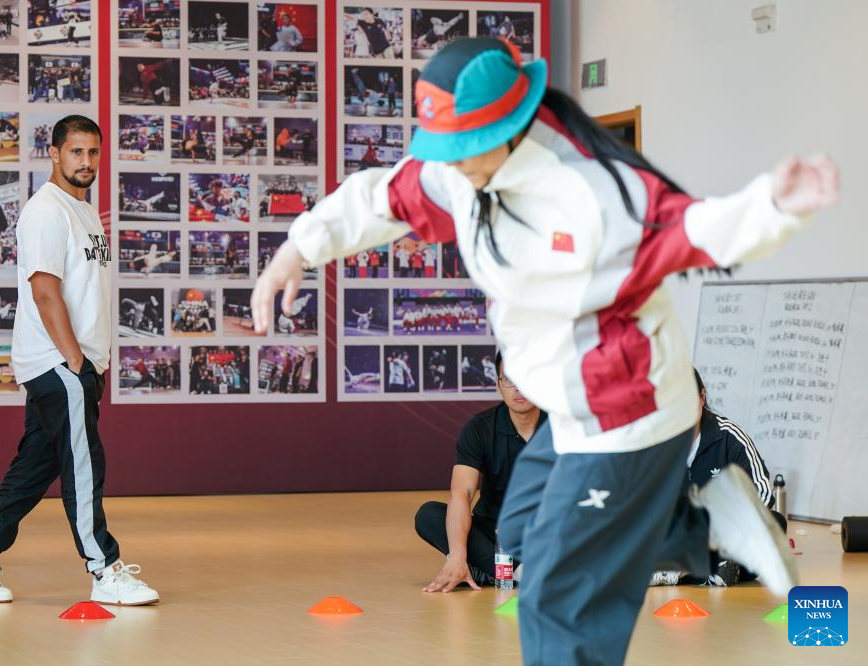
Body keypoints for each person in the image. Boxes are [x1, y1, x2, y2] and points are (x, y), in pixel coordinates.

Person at [251, 37, 838, 666]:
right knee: (519, 526)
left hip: (626, 410)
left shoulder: (594, 193)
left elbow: (693, 228)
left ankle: (698, 530)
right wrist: (296, 250)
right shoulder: (462, 168)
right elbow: (382, 197)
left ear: (509, 126)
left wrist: (772, 207)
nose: (453, 165)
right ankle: (706, 528)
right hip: (569, 408)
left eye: (466, 148)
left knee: (556, 596)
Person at [0, 116, 159, 607]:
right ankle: (103, 568)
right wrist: (74, 361)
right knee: (84, 464)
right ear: (54, 153)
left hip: (78, 363)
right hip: (59, 363)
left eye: (93, 152)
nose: (86, 161)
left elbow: (84, 286)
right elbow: (45, 292)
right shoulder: (46, 210)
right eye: (75, 152)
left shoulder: (82, 210)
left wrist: (92, 361)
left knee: (35, 466)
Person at [416, 352, 549, 590]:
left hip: (545, 529)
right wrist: (457, 555)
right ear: (498, 385)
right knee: (429, 515)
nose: (518, 388)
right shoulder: (479, 428)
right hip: (494, 532)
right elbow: (462, 493)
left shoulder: (562, 427)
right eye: (509, 379)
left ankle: (490, 571)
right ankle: (520, 573)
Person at [650, 368, 787, 587]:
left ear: (702, 397)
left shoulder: (728, 437)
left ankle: (677, 572)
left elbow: (762, 494)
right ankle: (711, 570)